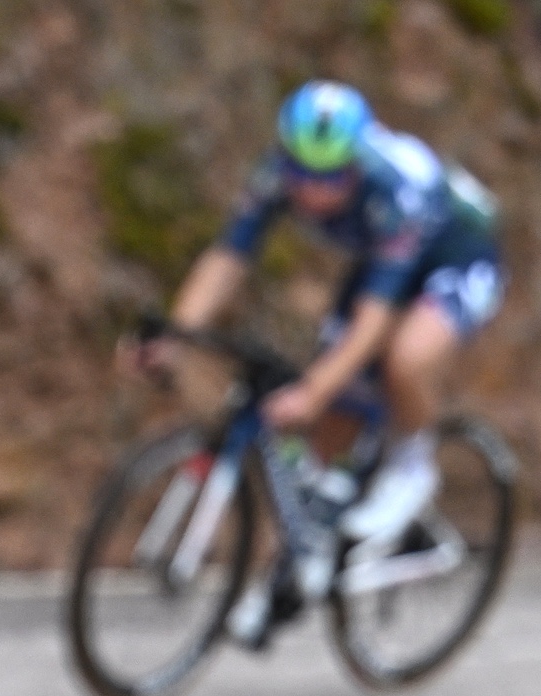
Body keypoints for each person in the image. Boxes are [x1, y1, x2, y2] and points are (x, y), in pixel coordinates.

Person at [131, 81, 501, 561]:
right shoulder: (275, 175)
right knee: (332, 408)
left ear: (356, 162)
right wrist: (176, 334)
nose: (311, 188)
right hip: (381, 258)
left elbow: (374, 321)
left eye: (329, 177)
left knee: (404, 359)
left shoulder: (393, 188)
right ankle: (317, 549)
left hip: (456, 257)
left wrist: (313, 390)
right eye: (300, 172)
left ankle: (414, 468)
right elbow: (228, 258)